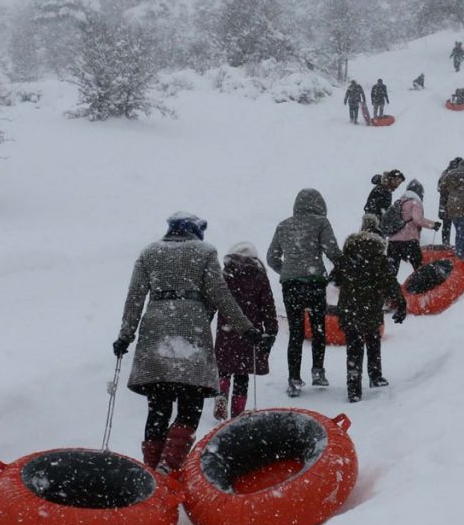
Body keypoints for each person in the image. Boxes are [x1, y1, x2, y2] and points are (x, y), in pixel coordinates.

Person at [114, 212, 263, 474]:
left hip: (155, 331)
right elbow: (221, 295)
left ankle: (152, 472)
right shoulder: (204, 252)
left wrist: (125, 335)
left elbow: (135, 297)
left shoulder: (149, 252)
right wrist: (246, 328)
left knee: (158, 407)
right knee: (190, 403)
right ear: (196, 232)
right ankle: (169, 467)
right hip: (191, 332)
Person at [267, 189, 342, 397]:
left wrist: (288, 272)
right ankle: (318, 372)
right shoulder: (321, 223)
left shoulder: (283, 225)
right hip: (314, 282)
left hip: (290, 285)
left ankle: (293, 379)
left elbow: (271, 257)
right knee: (318, 327)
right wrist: (342, 268)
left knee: (296, 331)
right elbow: (332, 251)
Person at [330, 214, 408, 401]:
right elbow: (389, 282)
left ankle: (354, 389)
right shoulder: (378, 257)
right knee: (373, 340)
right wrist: (400, 303)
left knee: (354, 348)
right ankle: (375, 376)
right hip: (371, 306)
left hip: (350, 307)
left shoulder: (346, 256)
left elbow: (334, 278)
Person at [213, 242, 279, 421]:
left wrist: (206, 318)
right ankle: (237, 411)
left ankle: (221, 394)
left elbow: (214, 299)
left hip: (226, 330)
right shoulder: (258, 275)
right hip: (251, 332)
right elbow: (268, 306)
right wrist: (271, 330)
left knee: (224, 369)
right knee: (242, 375)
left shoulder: (224, 275)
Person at [386, 179, 441, 278]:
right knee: (419, 268)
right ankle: (423, 288)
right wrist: (433, 225)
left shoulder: (400, 201)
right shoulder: (415, 202)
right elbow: (418, 220)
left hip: (393, 241)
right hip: (409, 240)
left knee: (391, 271)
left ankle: (387, 291)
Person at [437, 157, 463, 246]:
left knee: (446, 225)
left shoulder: (445, 172)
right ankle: (459, 246)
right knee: (459, 226)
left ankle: (445, 244)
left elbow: (439, 187)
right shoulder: (459, 174)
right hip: (455, 204)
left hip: (444, 203)